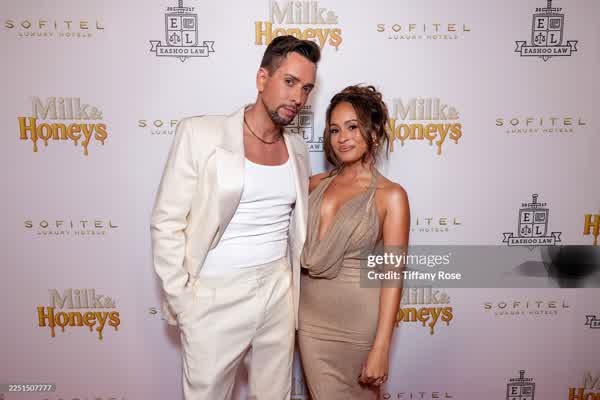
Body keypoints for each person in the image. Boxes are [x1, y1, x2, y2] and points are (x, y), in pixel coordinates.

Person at [150, 35, 320, 399]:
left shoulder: (297, 148)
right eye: (290, 82)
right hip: (216, 294)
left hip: (278, 291)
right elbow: (166, 222)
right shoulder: (200, 134)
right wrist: (184, 303)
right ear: (262, 78)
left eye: (306, 88)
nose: (298, 97)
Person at [297, 85, 410, 399]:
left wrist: (382, 346)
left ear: (373, 132)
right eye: (335, 129)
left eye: (352, 127)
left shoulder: (391, 195)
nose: (342, 137)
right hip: (310, 324)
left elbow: (393, 275)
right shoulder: (312, 185)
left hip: (358, 326)